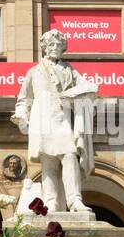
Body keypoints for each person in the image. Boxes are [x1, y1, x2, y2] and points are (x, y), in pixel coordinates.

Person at [11, 29, 99, 214]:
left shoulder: (70, 70)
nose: (55, 48)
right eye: (51, 45)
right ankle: (51, 204)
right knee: (48, 163)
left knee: (69, 156)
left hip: (63, 120)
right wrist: (21, 116)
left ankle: (75, 201)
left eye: (59, 45)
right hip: (41, 121)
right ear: (44, 47)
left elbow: (88, 89)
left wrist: (81, 94)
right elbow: (24, 100)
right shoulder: (33, 72)